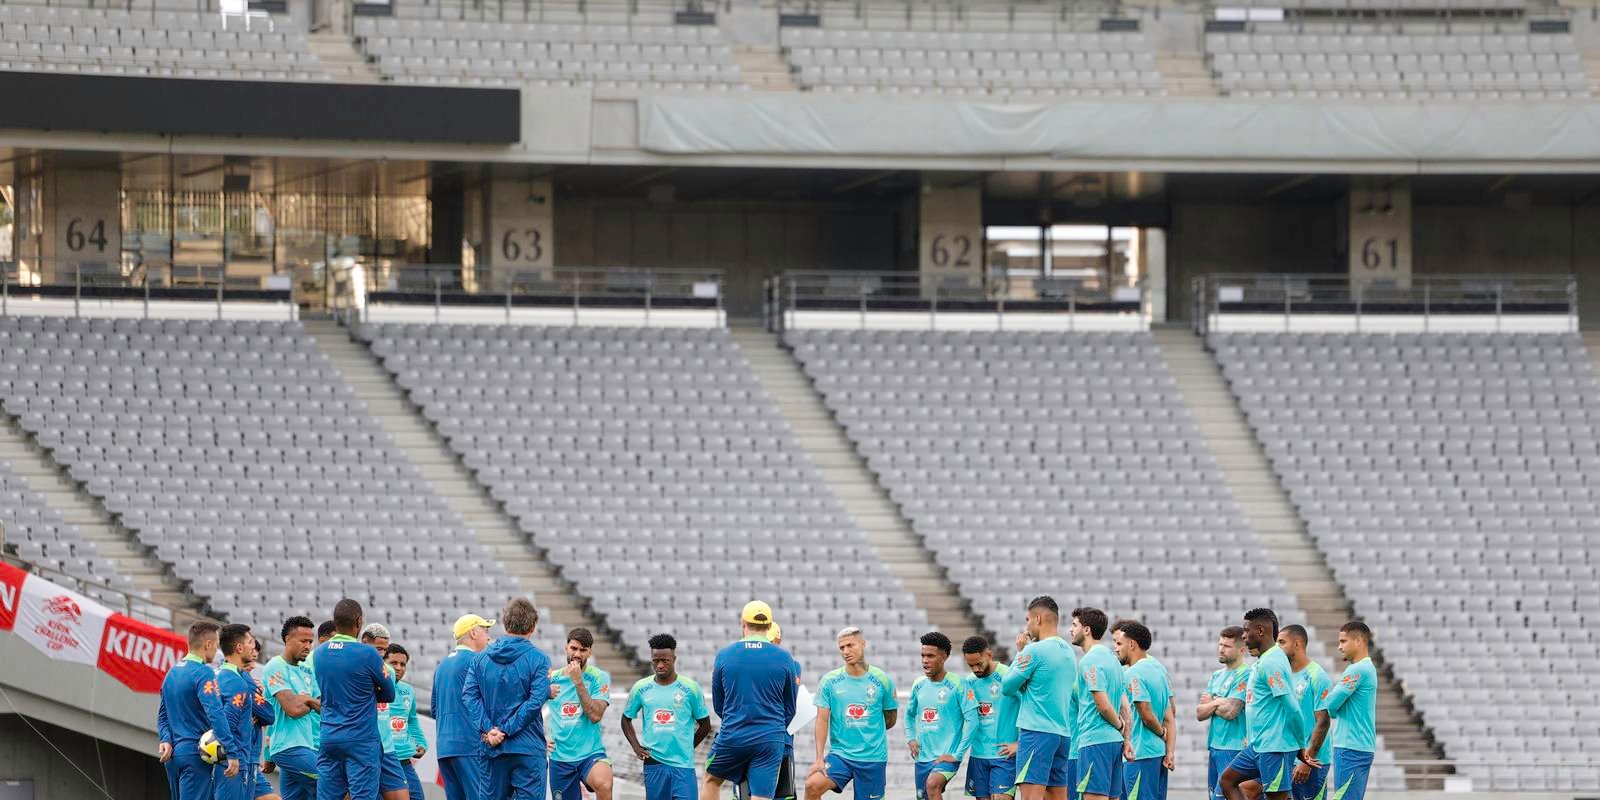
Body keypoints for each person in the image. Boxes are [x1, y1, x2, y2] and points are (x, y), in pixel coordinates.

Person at [704, 601, 800, 800]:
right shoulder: (785, 658)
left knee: (711, 780)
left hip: (734, 734)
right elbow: (790, 707)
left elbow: (719, 704)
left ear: (742, 623)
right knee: (762, 796)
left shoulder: (725, 655)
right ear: (769, 625)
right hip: (770, 738)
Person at [462, 597, 552, 800]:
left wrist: (489, 729)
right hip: (527, 748)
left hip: (492, 747)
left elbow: (469, 696)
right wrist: (505, 729)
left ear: (505, 623)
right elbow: (535, 702)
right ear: (533, 626)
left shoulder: (480, 659)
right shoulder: (539, 659)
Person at [312, 598, 396, 800]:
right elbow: (389, 694)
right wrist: (369, 690)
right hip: (361, 739)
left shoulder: (319, 653)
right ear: (359, 621)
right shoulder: (368, 653)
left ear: (335, 621)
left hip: (329, 736)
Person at [805, 626, 897, 800]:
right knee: (812, 786)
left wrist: (868, 731)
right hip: (841, 755)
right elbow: (822, 720)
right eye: (842, 647)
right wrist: (819, 759)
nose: (846, 651)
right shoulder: (829, 681)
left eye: (850, 645)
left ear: (863, 644)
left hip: (872, 758)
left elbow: (890, 719)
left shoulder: (883, 680)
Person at [1000, 596, 1076, 800]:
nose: (1027, 626)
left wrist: (1020, 653)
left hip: (1037, 733)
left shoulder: (1034, 650)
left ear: (1038, 619)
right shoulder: (1069, 652)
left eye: (1027, 620)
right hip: (1062, 734)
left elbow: (1006, 687)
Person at [1220, 609, 1301, 800]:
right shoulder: (1263, 660)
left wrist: (1302, 744)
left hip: (1275, 747)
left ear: (1261, 631)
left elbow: (1292, 708)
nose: (1243, 635)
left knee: (1275, 796)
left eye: (1246, 631)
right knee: (1227, 781)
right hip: (1258, 745)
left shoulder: (1271, 662)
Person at [622, 633, 713, 800]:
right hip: (654, 763)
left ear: (674, 659)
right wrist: (636, 746)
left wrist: (688, 746)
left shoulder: (691, 688)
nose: (660, 665)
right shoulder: (640, 688)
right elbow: (626, 719)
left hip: (683, 765)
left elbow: (705, 724)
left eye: (665, 660)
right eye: (656, 660)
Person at [1307, 622, 1378, 800]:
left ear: (1358, 641)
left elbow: (1330, 704)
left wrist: (1334, 711)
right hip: (1359, 744)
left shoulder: (1357, 669)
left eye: (1343, 641)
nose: (1339, 646)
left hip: (1350, 745)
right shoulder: (1368, 668)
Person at [159, 620, 226, 800]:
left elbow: (163, 716)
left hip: (173, 756)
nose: (217, 650)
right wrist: (231, 749)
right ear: (208, 644)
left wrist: (165, 739)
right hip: (196, 754)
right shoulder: (204, 672)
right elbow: (216, 713)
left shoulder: (171, 673)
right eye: (217, 645)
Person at [906, 632, 976, 800]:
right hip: (923, 757)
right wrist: (911, 738)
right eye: (923, 655)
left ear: (944, 657)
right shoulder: (918, 684)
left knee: (933, 784)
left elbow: (972, 720)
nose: (925, 660)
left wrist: (957, 754)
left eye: (930, 656)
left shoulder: (959, 684)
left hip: (946, 756)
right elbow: (909, 715)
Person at [547, 628, 614, 800]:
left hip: (590, 754)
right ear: (566, 648)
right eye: (573, 648)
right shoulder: (551, 679)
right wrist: (540, 738)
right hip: (560, 757)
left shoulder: (599, 677)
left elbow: (595, 715)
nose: (577, 654)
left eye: (583, 650)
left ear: (590, 652)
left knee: (604, 784)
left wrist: (578, 681)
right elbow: (529, 709)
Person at [435, 613, 496, 800]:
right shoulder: (478, 661)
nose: (489, 637)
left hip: (445, 748)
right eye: (485, 630)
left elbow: (435, 709)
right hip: (471, 746)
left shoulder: (441, 666)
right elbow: (491, 704)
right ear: (473, 633)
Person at [1070, 608, 1127, 800]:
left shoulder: (1090, 660)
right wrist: (1125, 737)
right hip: (1114, 743)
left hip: (1095, 742)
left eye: (1075, 625)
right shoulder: (1113, 660)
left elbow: (1103, 705)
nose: (1070, 629)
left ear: (1086, 630)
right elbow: (1125, 707)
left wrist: (1119, 725)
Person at [262, 617, 322, 800]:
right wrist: (309, 700)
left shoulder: (306, 669)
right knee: (333, 783)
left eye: (310, 641)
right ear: (288, 639)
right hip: (288, 748)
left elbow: (323, 707)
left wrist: (305, 700)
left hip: (307, 745)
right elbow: (293, 710)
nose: (308, 646)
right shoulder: (276, 666)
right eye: (303, 641)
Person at [1112, 621, 1173, 800]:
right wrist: (1169, 750)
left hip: (1139, 753)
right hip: (1158, 753)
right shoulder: (1160, 671)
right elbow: (1170, 716)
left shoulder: (1133, 673)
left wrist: (1161, 733)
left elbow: (1145, 713)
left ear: (1131, 644)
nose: (1116, 648)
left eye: (1119, 643)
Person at [960, 636, 1018, 800]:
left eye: (979, 664)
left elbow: (1030, 708)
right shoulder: (969, 682)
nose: (975, 669)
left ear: (989, 655)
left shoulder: (1008, 676)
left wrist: (1020, 743)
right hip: (978, 755)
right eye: (971, 665)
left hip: (1004, 754)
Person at [214, 624, 267, 800]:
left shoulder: (215, 675)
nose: (253, 647)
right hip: (233, 762)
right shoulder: (238, 682)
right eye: (250, 642)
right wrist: (232, 754)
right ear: (239, 647)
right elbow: (226, 723)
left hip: (219, 758)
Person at [1277, 626, 1329, 800]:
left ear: (1297, 644)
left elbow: (1323, 721)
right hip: (1287, 756)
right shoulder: (1283, 676)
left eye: (1282, 642)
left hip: (1311, 761)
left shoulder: (1317, 675)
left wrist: (1307, 760)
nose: (1278, 647)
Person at [1197, 628, 1250, 800]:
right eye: (1220, 644)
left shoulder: (1245, 673)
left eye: (1227, 646)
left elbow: (1231, 711)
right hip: (1215, 746)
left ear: (1242, 650)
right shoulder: (1216, 675)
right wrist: (1217, 701)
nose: (1221, 649)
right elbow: (1199, 713)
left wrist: (1211, 702)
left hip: (1234, 747)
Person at [361, 623, 410, 800]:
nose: (381, 654)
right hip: (362, 747)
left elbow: (390, 697)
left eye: (384, 649)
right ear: (364, 643)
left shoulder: (387, 671)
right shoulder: (353, 669)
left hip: (387, 749)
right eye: (378, 649)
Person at [384, 644, 428, 800]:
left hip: (404, 760)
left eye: (403, 664)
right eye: (393, 663)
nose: (398, 668)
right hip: (383, 759)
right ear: (383, 664)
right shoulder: (374, 689)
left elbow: (412, 719)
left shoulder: (408, 690)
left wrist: (421, 742)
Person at [245, 640, 282, 800]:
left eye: (255, 659)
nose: (253, 666)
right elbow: (269, 715)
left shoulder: (250, 683)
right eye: (250, 659)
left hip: (249, 758)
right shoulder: (242, 682)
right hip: (239, 758)